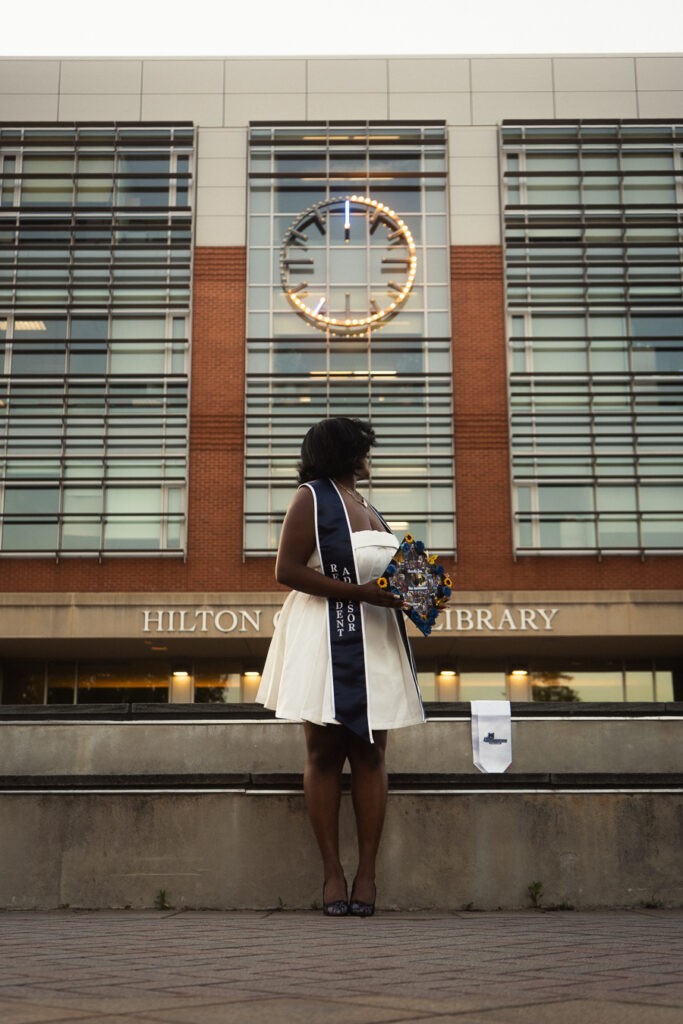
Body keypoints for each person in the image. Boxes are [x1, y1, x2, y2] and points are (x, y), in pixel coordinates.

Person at [256, 417, 425, 917]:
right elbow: (286, 571)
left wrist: (423, 592)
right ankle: (332, 874)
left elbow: (391, 576)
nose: (369, 457)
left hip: (374, 638)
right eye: (363, 449)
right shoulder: (310, 497)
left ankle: (367, 876)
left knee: (372, 754)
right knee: (325, 752)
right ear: (346, 453)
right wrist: (360, 594)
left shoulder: (371, 507)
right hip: (325, 636)